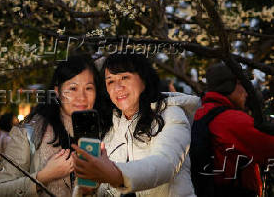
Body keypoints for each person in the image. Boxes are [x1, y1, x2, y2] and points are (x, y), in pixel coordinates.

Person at [72, 53, 199, 196]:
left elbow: (166, 164)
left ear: (144, 80)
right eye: (110, 81)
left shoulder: (171, 113)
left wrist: (115, 174)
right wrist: (88, 187)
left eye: (125, 77)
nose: (118, 87)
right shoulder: (110, 126)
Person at [0, 55, 111, 196]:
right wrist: (44, 176)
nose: (82, 97)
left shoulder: (108, 132)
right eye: (73, 88)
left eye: (89, 88)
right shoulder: (30, 133)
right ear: (57, 92)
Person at [192, 62, 274, 196]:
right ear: (230, 86)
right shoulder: (232, 120)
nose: (247, 92)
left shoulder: (200, 111)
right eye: (243, 84)